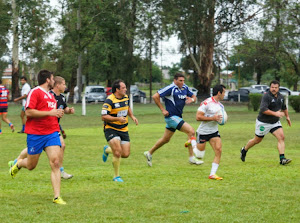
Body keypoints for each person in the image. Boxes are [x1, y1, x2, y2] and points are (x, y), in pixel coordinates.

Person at [9, 70, 66, 205]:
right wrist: (50, 112)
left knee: (56, 162)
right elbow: (29, 112)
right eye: (52, 79)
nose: (54, 81)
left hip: (52, 133)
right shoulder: (35, 92)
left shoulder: (51, 96)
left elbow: (51, 113)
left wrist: (58, 113)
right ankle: (18, 163)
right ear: (47, 80)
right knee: (31, 165)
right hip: (36, 134)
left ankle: (57, 196)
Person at [143, 73, 202, 167]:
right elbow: (155, 96)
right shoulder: (170, 88)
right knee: (191, 131)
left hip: (177, 117)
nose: (182, 82)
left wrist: (192, 100)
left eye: (183, 80)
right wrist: (162, 110)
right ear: (175, 80)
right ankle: (192, 158)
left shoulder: (185, 88)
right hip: (171, 117)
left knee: (165, 139)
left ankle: (149, 153)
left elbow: (194, 96)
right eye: (180, 81)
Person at [240, 80, 292, 165]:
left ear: (278, 88)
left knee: (281, 137)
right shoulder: (266, 96)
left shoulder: (281, 97)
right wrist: (275, 113)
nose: (274, 89)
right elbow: (263, 110)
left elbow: (284, 107)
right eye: (272, 87)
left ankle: (282, 159)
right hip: (263, 123)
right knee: (257, 140)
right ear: (270, 87)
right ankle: (244, 150)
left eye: (276, 87)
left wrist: (287, 117)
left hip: (274, 122)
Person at [101, 79, 138, 182]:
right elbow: (103, 117)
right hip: (111, 129)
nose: (126, 89)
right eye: (123, 88)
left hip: (123, 129)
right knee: (117, 153)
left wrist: (132, 116)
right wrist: (117, 119)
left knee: (125, 154)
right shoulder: (109, 100)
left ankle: (107, 149)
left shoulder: (125, 97)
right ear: (117, 89)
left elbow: (127, 107)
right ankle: (116, 176)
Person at [194, 85, 226, 180]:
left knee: (218, 150)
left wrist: (222, 120)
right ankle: (192, 142)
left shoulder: (221, 106)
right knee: (199, 156)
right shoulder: (206, 103)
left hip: (214, 132)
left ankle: (212, 174)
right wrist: (213, 118)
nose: (225, 94)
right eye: (224, 92)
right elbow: (198, 117)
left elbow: (221, 119)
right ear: (219, 93)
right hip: (203, 132)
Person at [50, 76, 75, 179]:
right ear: (57, 85)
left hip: (55, 126)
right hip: (46, 127)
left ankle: (61, 171)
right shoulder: (49, 95)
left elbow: (65, 108)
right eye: (64, 84)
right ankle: (17, 162)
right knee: (34, 153)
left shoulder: (62, 97)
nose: (65, 86)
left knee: (62, 145)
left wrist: (70, 111)